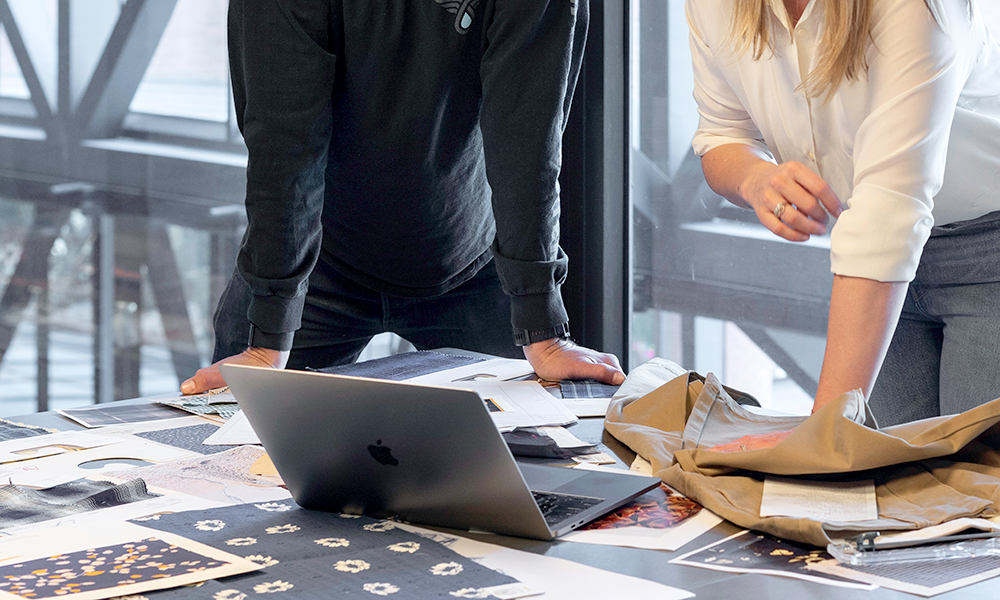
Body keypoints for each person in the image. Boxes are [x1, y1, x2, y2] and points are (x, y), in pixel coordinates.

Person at [180, 0, 625, 395]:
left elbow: (528, 141)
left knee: (524, 471)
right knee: (233, 464)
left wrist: (541, 323)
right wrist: (267, 337)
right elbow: (285, 146)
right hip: (313, 265)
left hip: (471, 260)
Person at [687, 0, 1000, 429]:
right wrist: (755, 178)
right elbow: (723, 131)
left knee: (979, 486)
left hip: (986, 257)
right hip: (875, 268)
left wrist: (817, 440)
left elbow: (888, 213)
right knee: (890, 484)